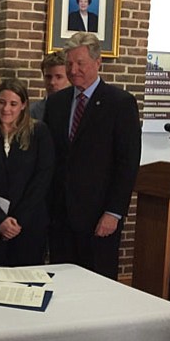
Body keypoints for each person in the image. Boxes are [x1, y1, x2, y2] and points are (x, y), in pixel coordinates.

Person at [44, 32, 141, 280]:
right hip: (61, 217)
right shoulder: (56, 103)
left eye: (80, 63)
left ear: (98, 63)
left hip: (99, 218)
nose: (73, 70)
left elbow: (127, 163)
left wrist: (114, 212)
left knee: (97, 286)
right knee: (62, 285)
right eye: (69, 64)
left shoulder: (120, 103)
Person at [0, 79, 54, 266]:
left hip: (29, 224)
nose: (6, 108)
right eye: (2, 102)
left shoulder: (39, 133)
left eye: (13, 104)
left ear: (23, 105)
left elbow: (42, 178)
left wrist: (17, 221)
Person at [30, 51, 70, 120]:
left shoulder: (76, 111)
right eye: (48, 77)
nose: (52, 82)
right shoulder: (32, 112)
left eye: (59, 77)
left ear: (69, 79)